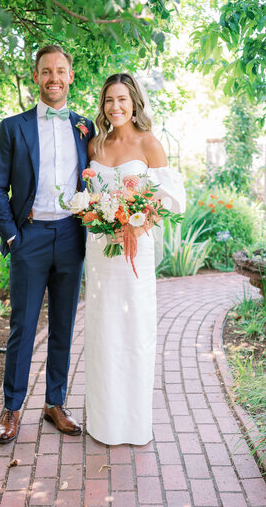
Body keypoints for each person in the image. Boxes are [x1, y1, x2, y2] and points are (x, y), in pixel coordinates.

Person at [0, 45, 95, 444]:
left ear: (70, 76)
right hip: (28, 236)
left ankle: (54, 403)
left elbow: (97, 179)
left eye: (60, 70)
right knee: (23, 327)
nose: (54, 78)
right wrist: (11, 236)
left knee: (64, 324)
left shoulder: (85, 127)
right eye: (46, 71)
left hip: (71, 235)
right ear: (36, 77)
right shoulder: (12, 127)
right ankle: (12, 409)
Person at [84, 73, 186, 445]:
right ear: (103, 105)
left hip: (135, 249)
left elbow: (170, 196)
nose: (116, 107)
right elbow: (88, 195)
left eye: (122, 99)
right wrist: (96, 214)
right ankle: (103, 422)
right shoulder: (95, 145)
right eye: (109, 100)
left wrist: (138, 226)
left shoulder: (149, 143)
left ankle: (133, 424)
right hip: (100, 252)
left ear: (134, 102)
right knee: (103, 331)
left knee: (135, 331)